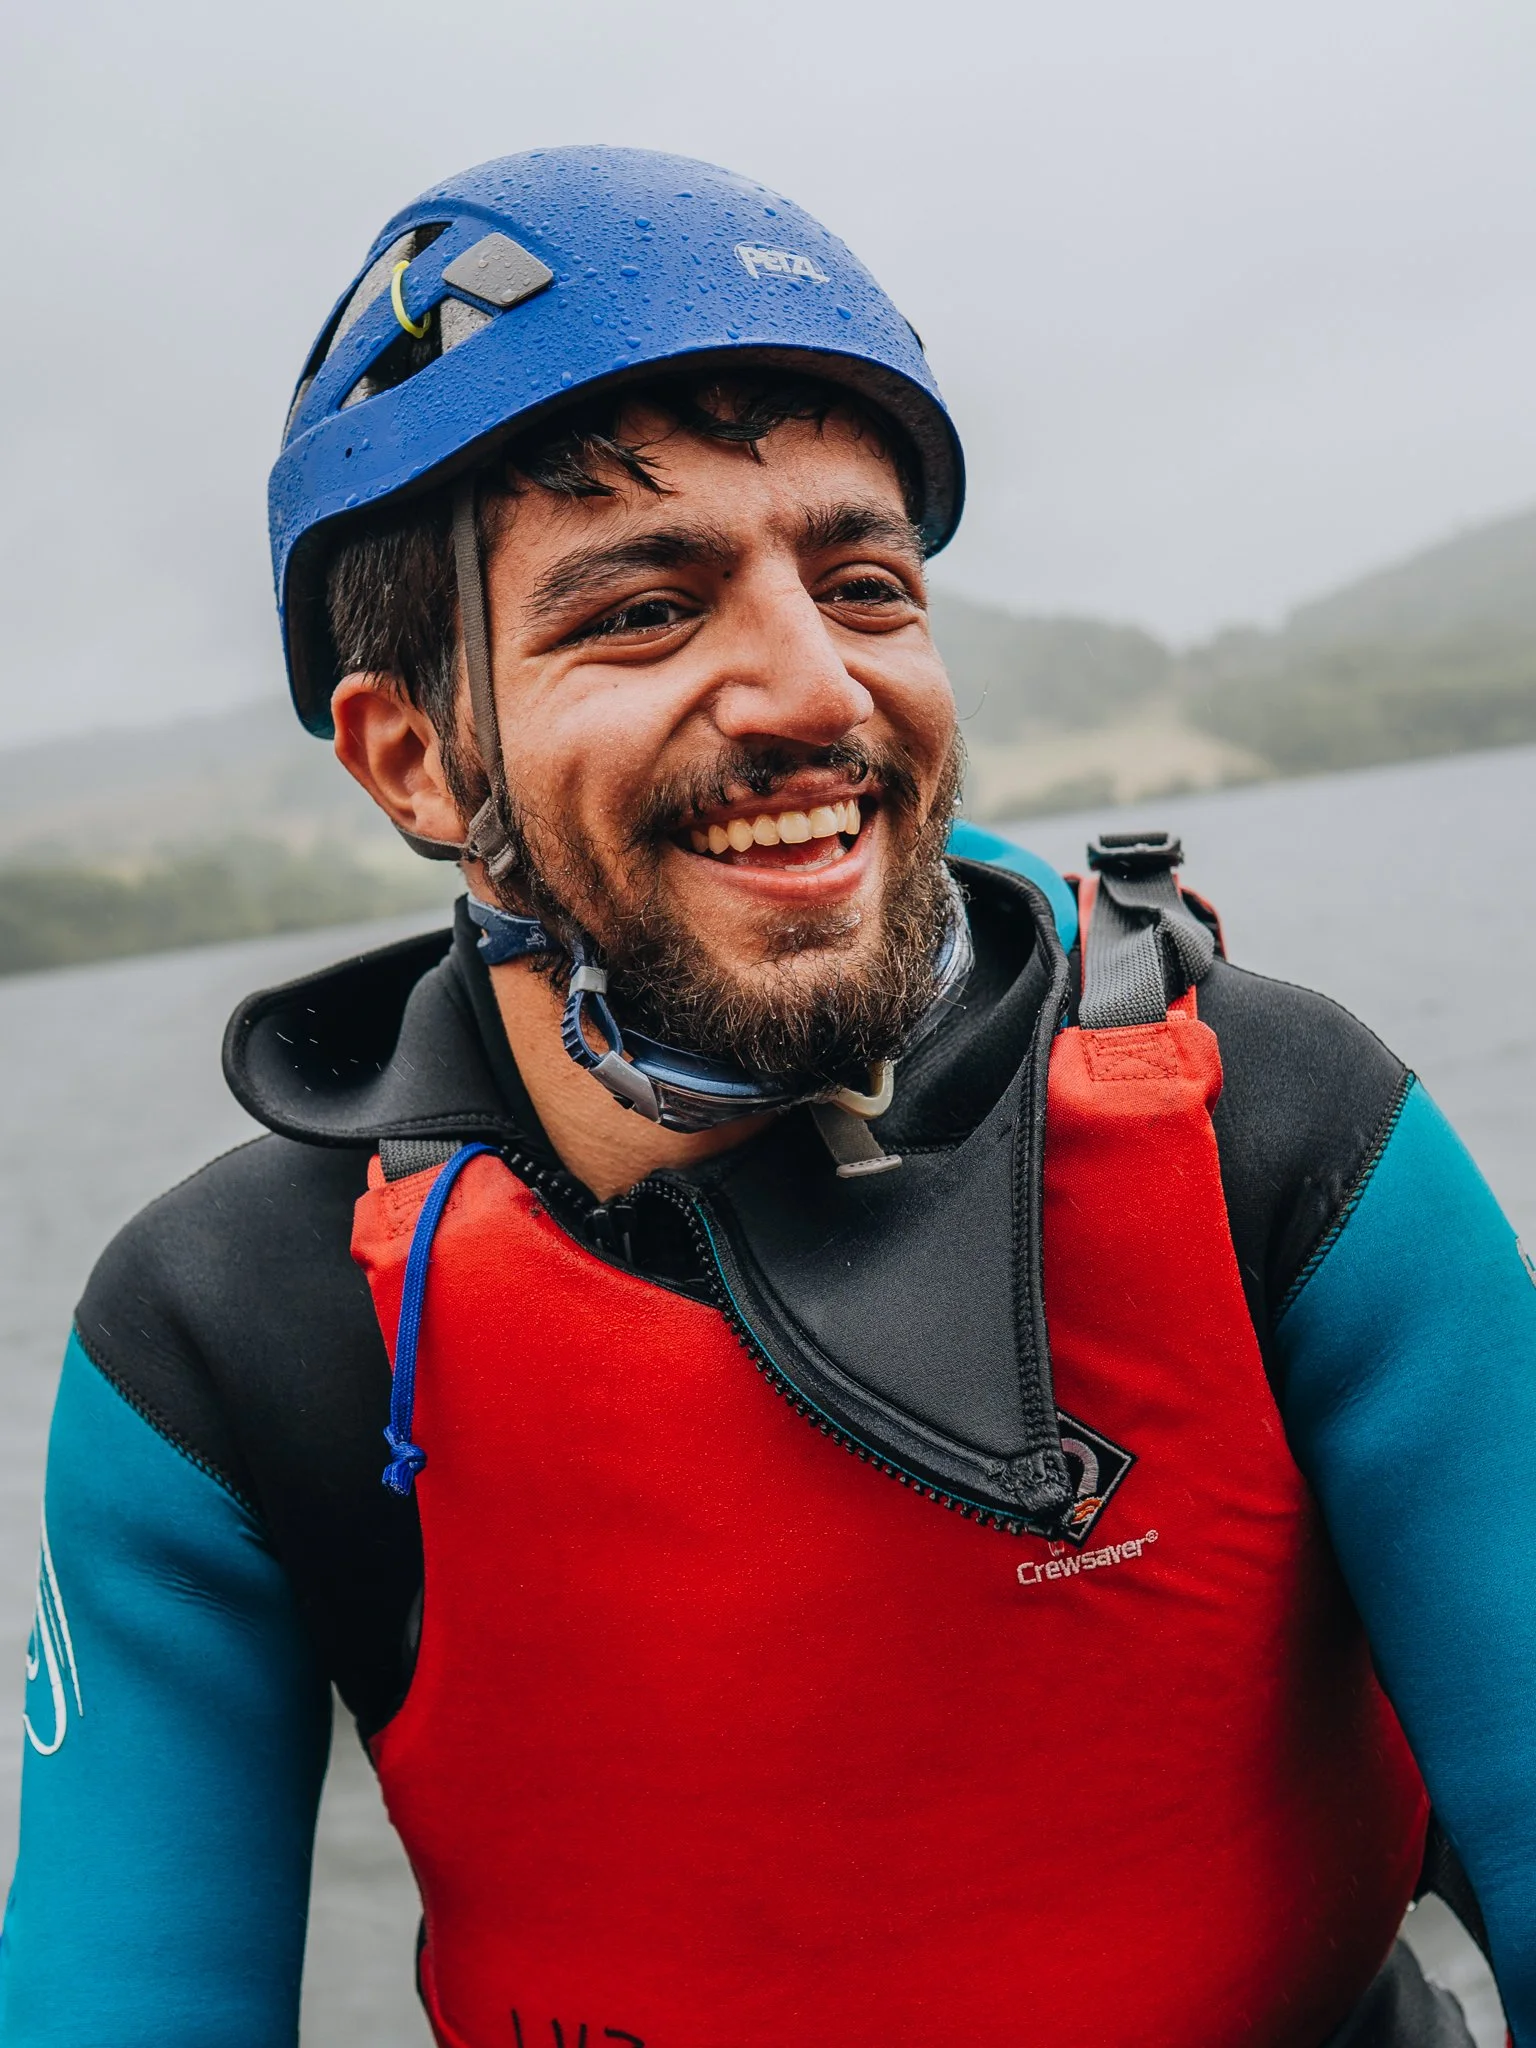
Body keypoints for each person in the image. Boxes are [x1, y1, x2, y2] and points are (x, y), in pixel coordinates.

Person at [0, 146, 1531, 2048]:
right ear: (414, 758)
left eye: (866, 582)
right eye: (643, 611)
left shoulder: (1273, 1135)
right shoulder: (241, 1338)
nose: (814, 691)